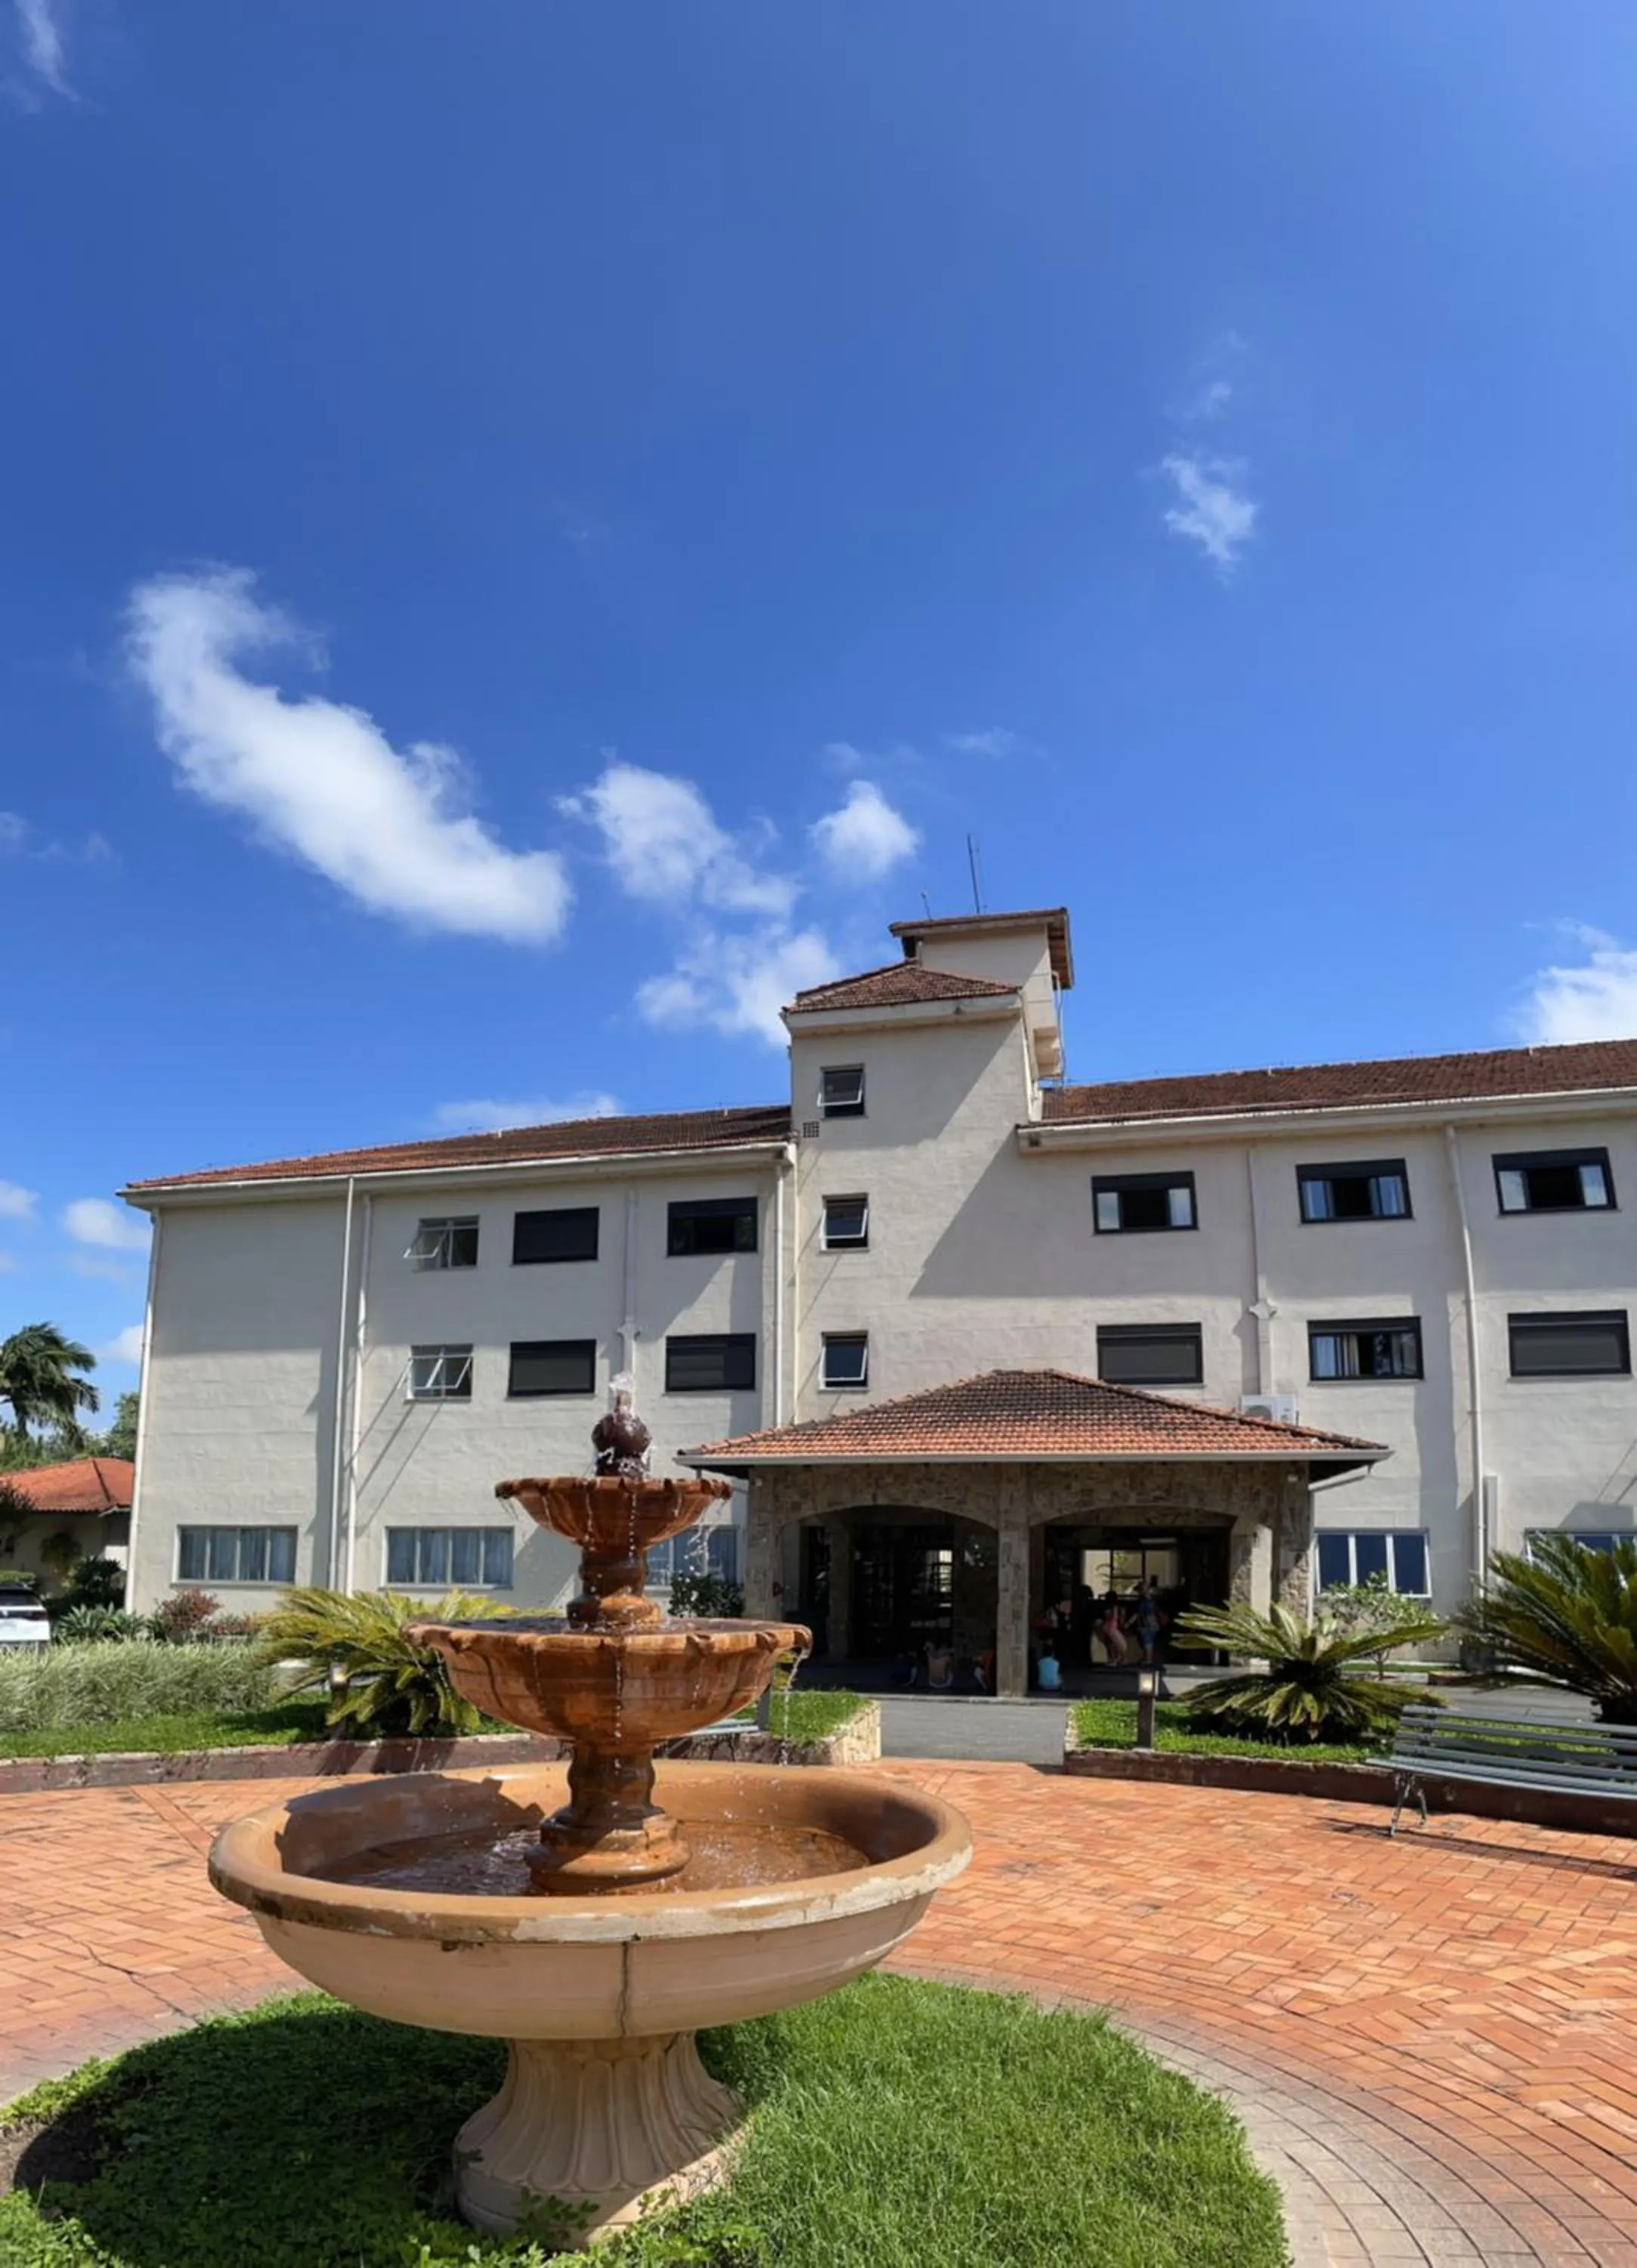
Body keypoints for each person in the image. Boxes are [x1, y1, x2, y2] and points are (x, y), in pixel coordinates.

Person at [1135, 1577, 1165, 1668]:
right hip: (1154, 1623)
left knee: (1147, 1641)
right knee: (1149, 1641)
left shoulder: (1143, 1601)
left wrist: (1128, 1623)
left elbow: (1138, 1614)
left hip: (1145, 1623)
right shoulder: (1153, 1600)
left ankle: (1148, 1659)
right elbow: (1158, 1611)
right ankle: (1148, 1658)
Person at [1098, 1593, 1128, 1668]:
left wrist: (1110, 1625)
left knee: (1114, 1644)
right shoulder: (1116, 1607)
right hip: (1115, 1627)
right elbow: (1119, 1619)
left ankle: (1115, 1659)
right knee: (1116, 1644)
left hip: (1112, 1627)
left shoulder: (1111, 1607)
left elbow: (1113, 1617)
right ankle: (1120, 1659)